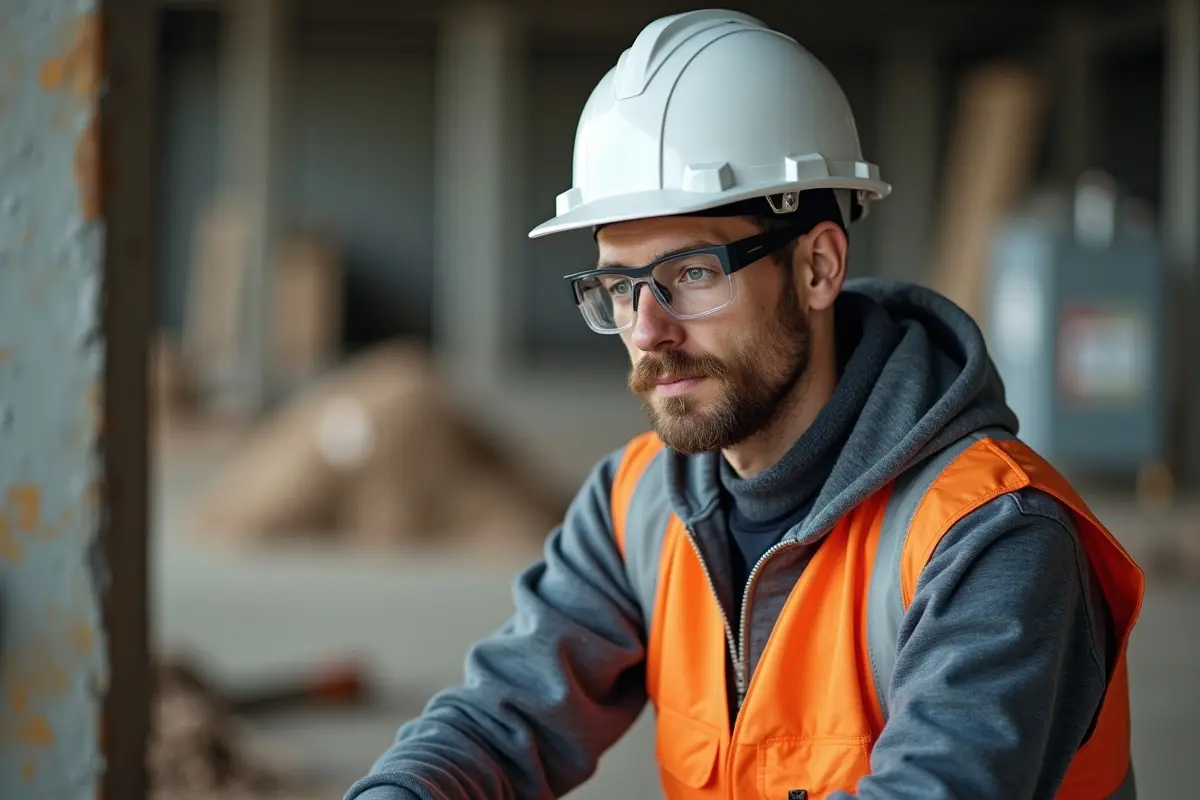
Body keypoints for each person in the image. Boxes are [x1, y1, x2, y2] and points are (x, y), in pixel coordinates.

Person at [346, 10, 1144, 800]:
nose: (648, 329)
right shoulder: (638, 504)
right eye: (619, 286)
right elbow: (499, 721)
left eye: (692, 273)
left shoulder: (990, 537)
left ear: (818, 268)